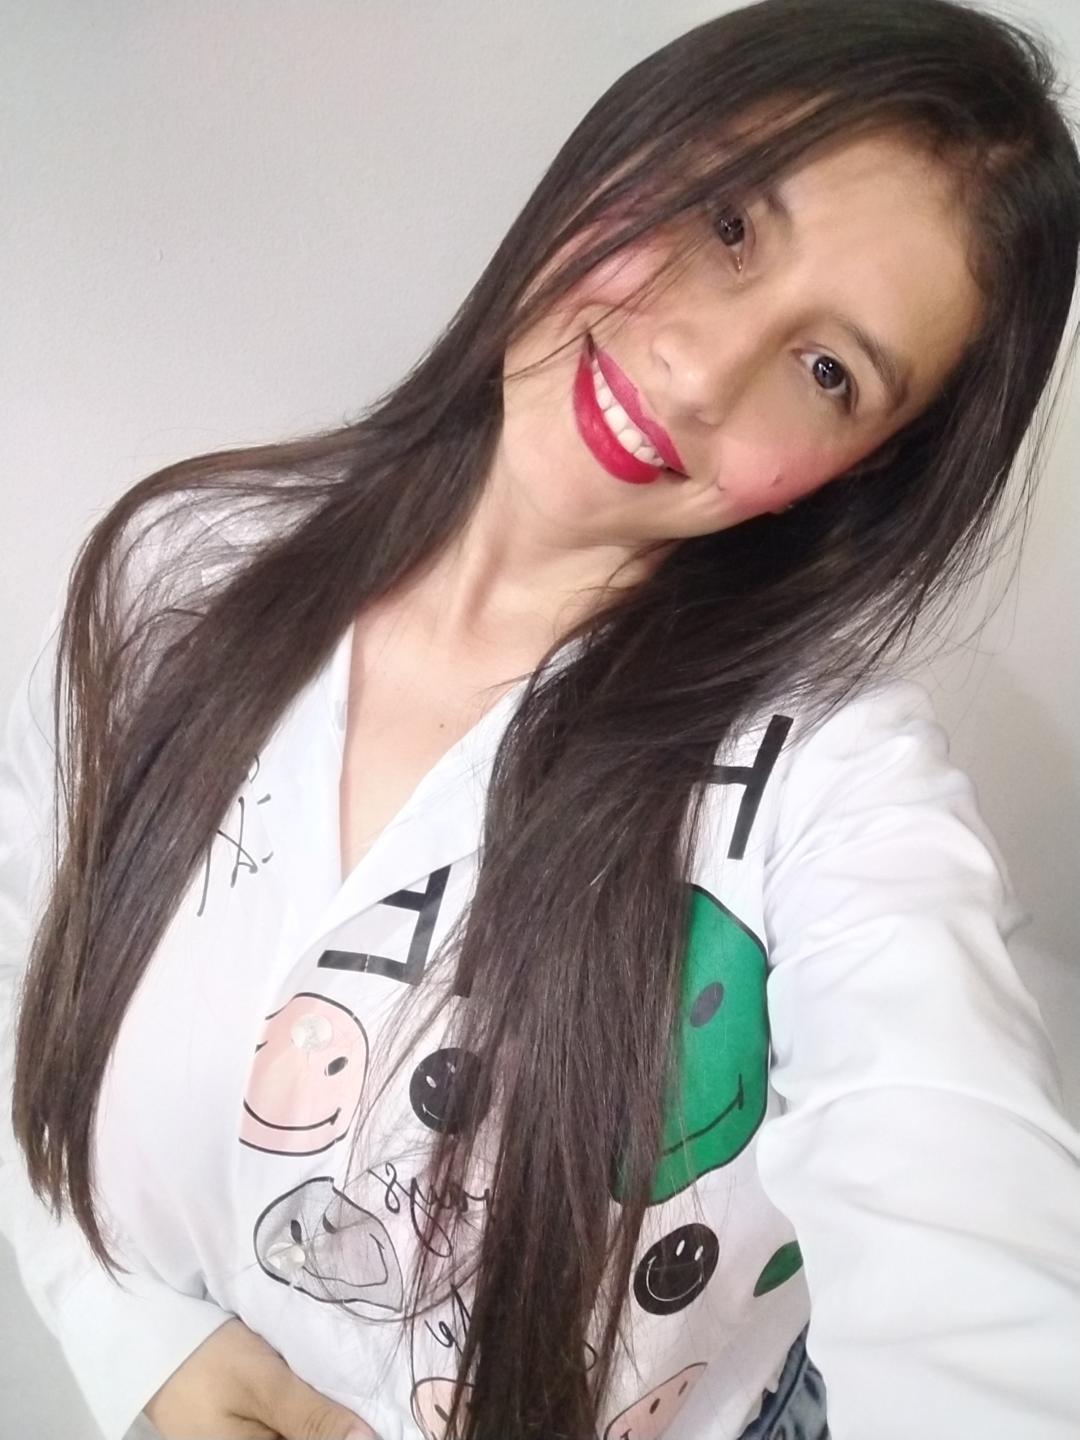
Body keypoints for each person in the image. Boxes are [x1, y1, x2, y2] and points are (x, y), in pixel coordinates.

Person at [3, 0, 1080, 1437]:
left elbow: (967, 1235)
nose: (697, 370)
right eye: (727, 222)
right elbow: (27, 963)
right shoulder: (181, 573)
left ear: (863, 467)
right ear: (628, 147)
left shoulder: (827, 785)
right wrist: (135, 1337)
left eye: (829, 372)